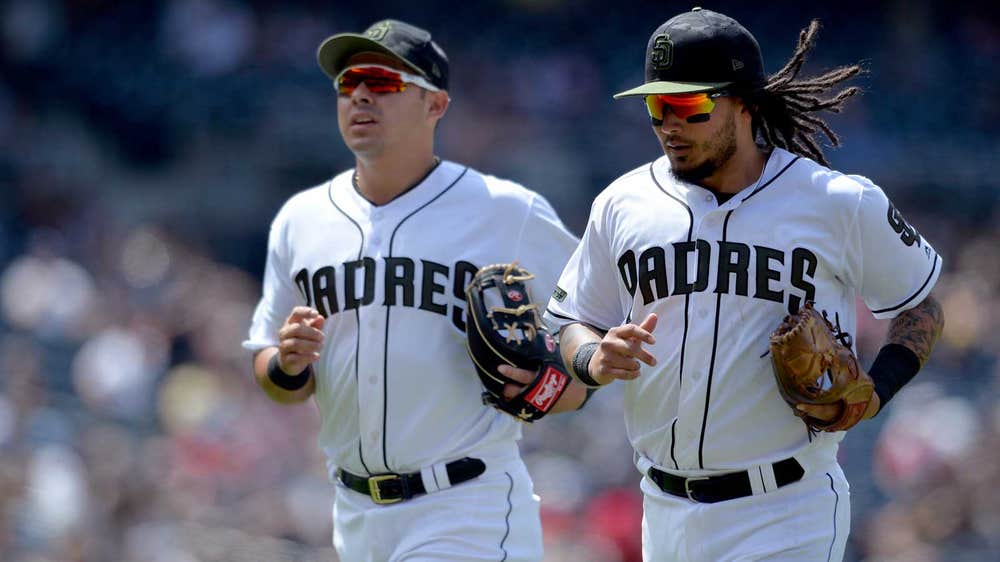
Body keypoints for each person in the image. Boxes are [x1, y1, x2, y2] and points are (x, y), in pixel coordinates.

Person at [546, 8, 945, 561]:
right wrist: (591, 354)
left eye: (687, 105)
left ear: (745, 104)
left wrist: (877, 392)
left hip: (786, 510)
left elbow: (920, 306)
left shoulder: (834, 202)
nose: (669, 125)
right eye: (656, 106)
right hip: (662, 510)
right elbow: (571, 319)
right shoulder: (622, 203)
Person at [243, 19, 585, 562]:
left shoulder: (506, 211)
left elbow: (589, 338)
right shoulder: (300, 220)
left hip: (465, 507)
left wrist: (550, 386)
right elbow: (274, 376)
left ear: (436, 105)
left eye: (381, 81)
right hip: (354, 517)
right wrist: (286, 364)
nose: (358, 94)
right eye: (347, 82)